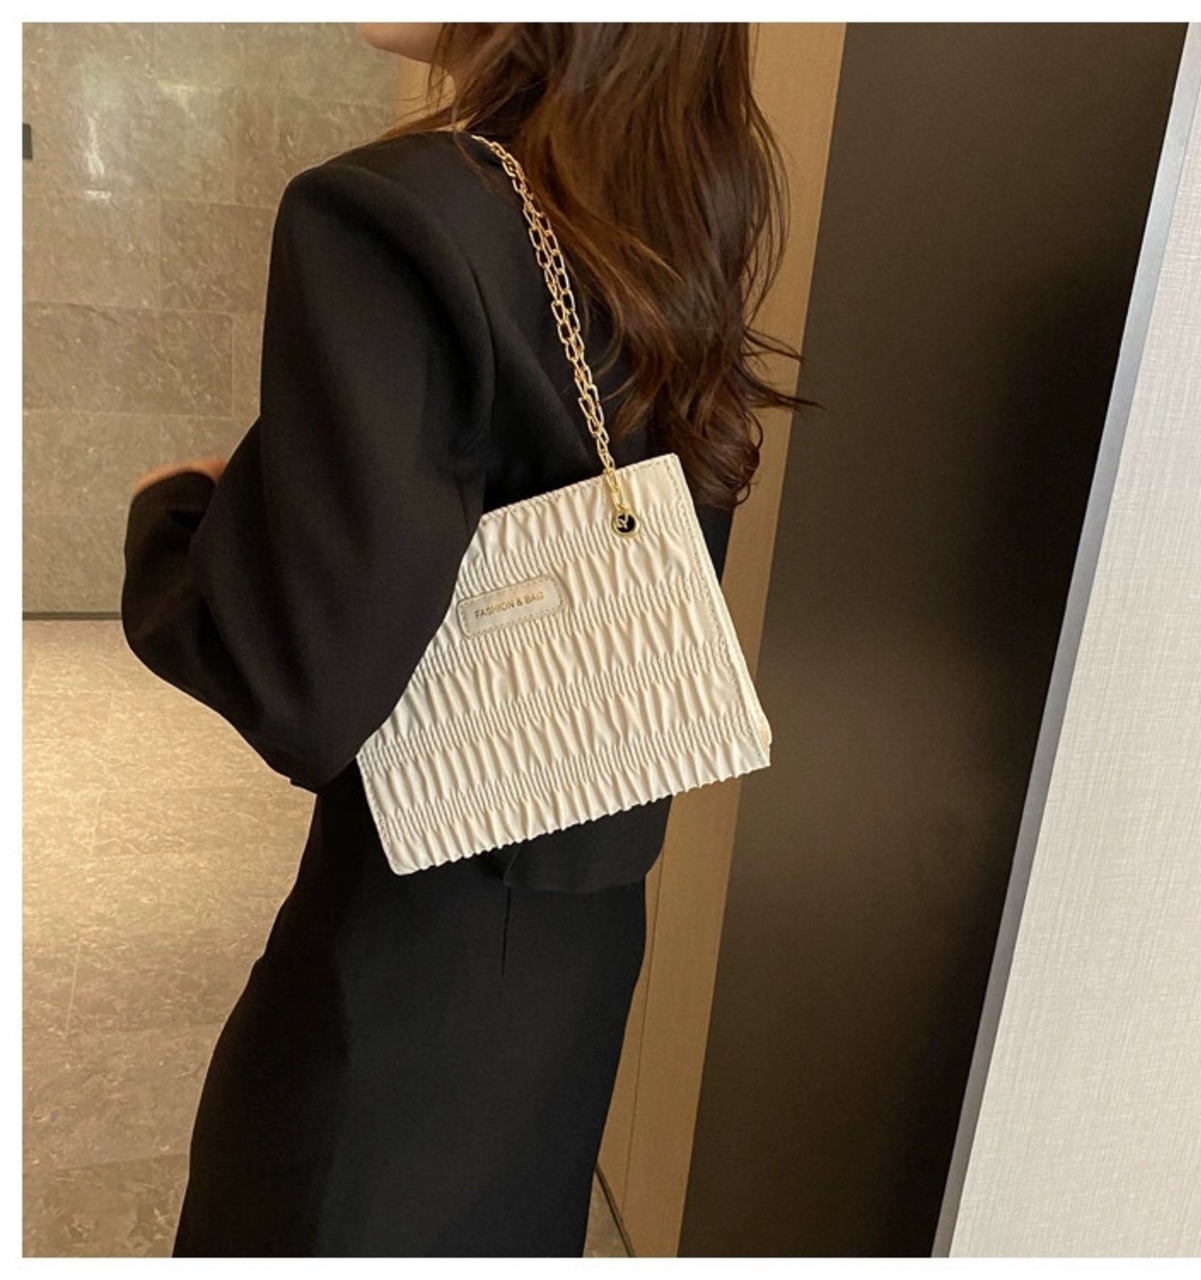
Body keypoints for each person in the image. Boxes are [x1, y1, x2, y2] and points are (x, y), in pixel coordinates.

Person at [120, 22, 813, 1257]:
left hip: (397, 979)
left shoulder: (388, 215)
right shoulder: (674, 206)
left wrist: (172, 521)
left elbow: (302, 685)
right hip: (578, 938)